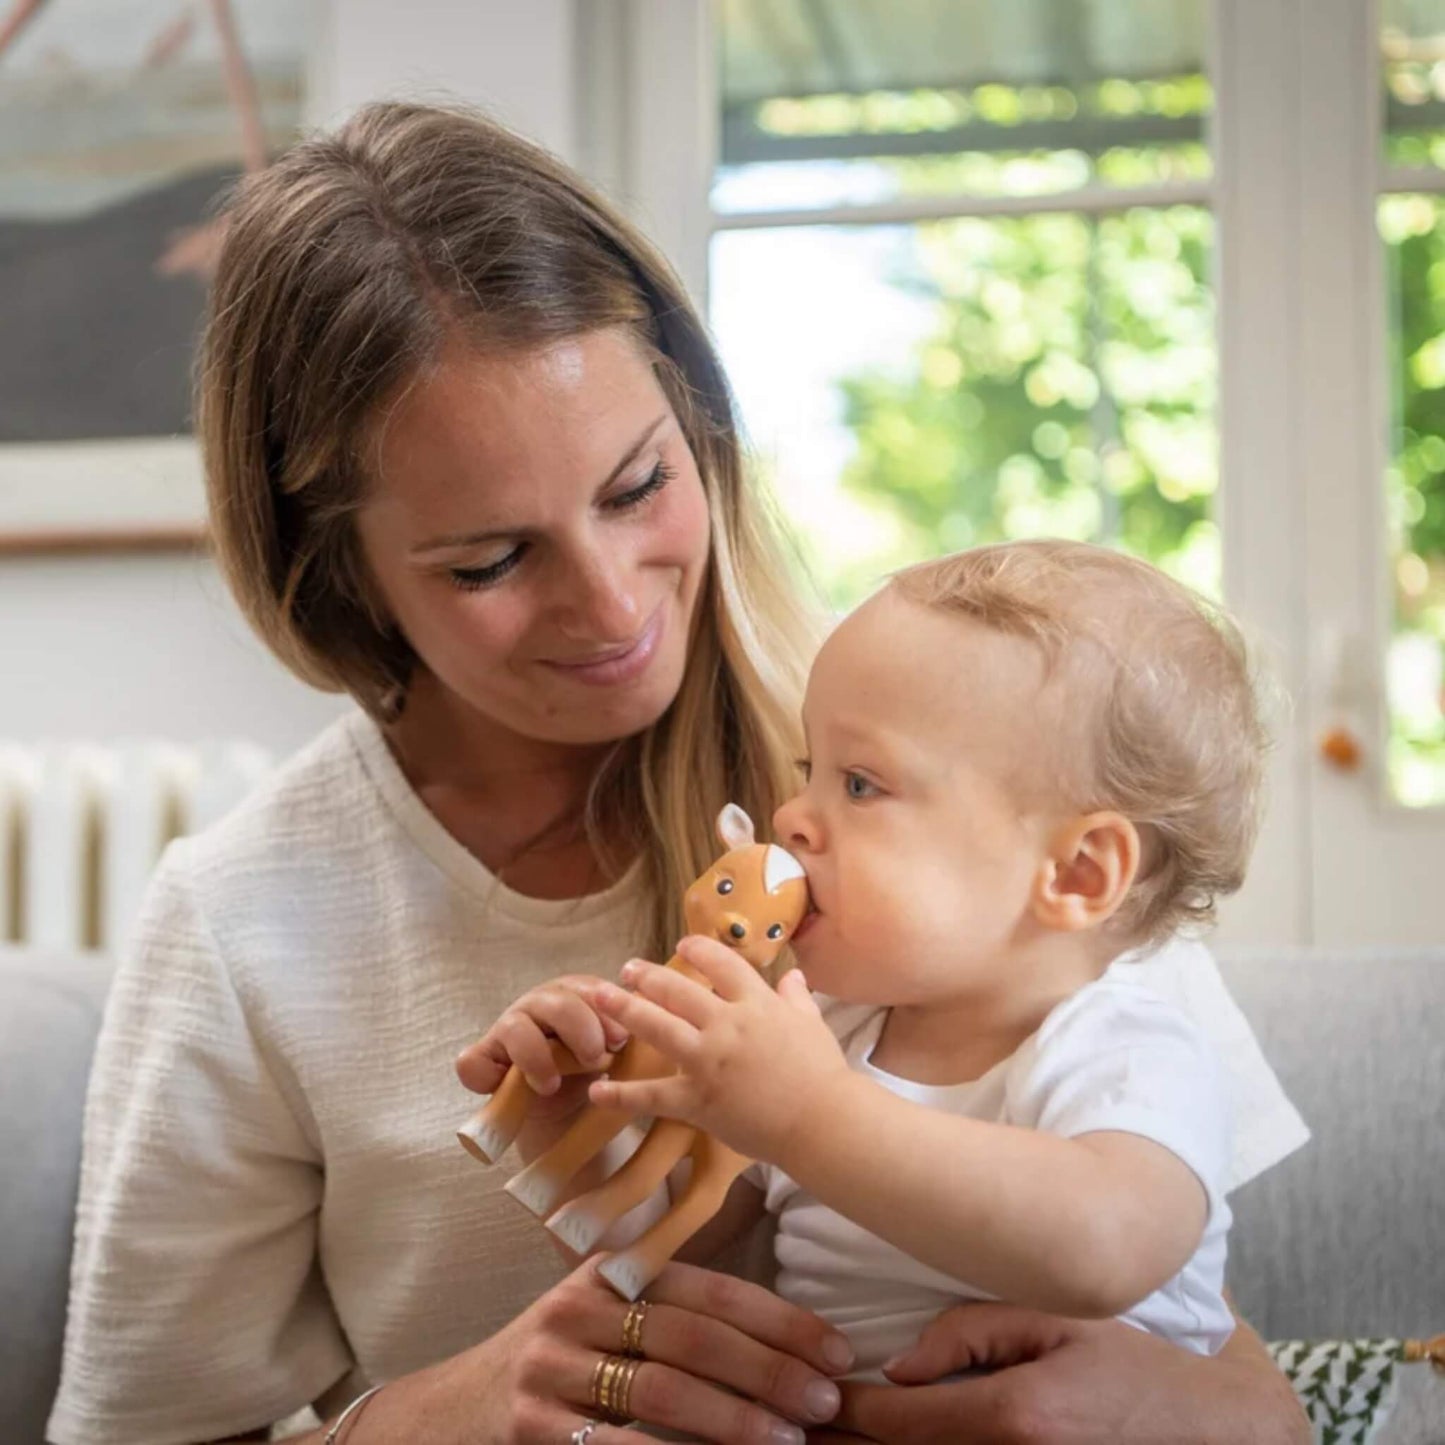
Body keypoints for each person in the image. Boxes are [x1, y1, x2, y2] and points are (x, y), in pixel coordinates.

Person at [46, 101, 1309, 1445]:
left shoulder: (971, 766)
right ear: (340, 571)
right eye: (489, 560)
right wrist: (444, 1412)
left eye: (638, 483)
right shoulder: (246, 917)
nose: (607, 605)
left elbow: (1194, 1317)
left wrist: (1188, 1417)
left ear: (697, 424)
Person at [563, 540, 1265, 1377]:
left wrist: (808, 1115)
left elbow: (1103, 1249)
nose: (790, 816)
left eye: (858, 783)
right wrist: (570, 1116)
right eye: (808, 771)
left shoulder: (1125, 1050)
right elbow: (649, 1254)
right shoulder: (824, 1035)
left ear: (1076, 874)